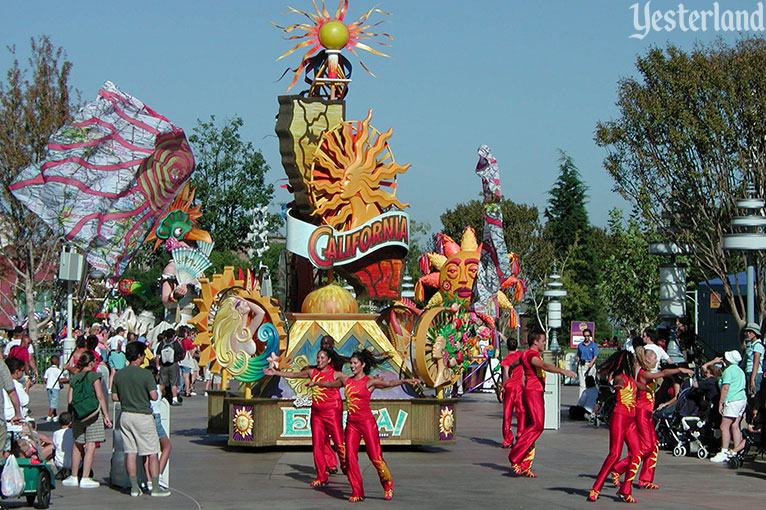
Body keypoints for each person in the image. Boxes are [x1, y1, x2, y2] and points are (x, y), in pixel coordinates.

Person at [308, 349, 419, 502]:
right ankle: (357, 491)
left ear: (363, 365)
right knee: (350, 457)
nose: (352, 366)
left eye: (355, 363)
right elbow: (331, 384)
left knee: (375, 457)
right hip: (352, 424)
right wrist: (316, 382)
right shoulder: (347, 381)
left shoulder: (369, 382)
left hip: (367, 423)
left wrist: (406, 381)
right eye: (351, 363)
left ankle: (387, 484)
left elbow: (389, 383)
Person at [611, 347, 692, 490]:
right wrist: (680, 369)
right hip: (641, 412)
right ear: (647, 359)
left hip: (648, 412)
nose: (656, 361)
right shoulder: (643, 374)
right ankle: (618, 468)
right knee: (647, 446)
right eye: (655, 358)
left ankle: (645, 479)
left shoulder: (645, 371)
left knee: (653, 446)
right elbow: (664, 373)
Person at [264, 349, 346, 487]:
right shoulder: (312, 372)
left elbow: (341, 383)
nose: (319, 360)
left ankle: (347, 467)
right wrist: (276, 372)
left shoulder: (337, 374)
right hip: (317, 413)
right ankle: (321, 476)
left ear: (329, 360)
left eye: (322, 358)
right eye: (318, 358)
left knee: (339, 444)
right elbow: (294, 375)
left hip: (332, 412)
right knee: (318, 445)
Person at [507, 331, 576, 478]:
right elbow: (544, 366)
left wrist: (510, 373)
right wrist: (562, 371)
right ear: (535, 342)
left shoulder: (524, 354)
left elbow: (513, 364)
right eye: (543, 341)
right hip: (533, 392)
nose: (545, 343)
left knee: (530, 427)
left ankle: (525, 464)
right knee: (537, 426)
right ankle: (515, 455)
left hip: (531, 391)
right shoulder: (532, 356)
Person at [112, 341, 170, 497]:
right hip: (143, 415)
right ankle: (155, 487)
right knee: (152, 452)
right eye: (143, 355)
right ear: (138, 356)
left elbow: (114, 397)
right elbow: (154, 395)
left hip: (125, 416)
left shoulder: (119, 374)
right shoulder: (145, 374)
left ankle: (134, 487)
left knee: (130, 452)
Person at [589, 350, 642, 503]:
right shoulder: (622, 378)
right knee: (614, 454)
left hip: (631, 421)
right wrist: (616, 385)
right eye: (633, 361)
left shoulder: (631, 379)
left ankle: (625, 489)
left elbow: (638, 386)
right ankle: (596, 487)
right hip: (620, 418)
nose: (635, 363)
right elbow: (617, 382)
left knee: (637, 454)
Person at [62, 351, 112, 488]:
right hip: (93, 414)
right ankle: (85, 478)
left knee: (77, 444)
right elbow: (100, 396)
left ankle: (73, 476)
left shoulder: (75, 377)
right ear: (91, 363)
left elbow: (70, 400)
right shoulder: (94, 376)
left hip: (78, 415)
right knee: (90, 445)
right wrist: (106, 416)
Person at [710, 350, 747, 463]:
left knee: (724, 426)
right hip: (742, 399)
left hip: (732, 400)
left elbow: (725, 387)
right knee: (735, 425)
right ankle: (737, 450)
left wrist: (721, 402)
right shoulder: (740, 370)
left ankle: (724, 451)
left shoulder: (728, 371)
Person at [143, 365, 172, 492]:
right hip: (156, 418)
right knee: (166, 446)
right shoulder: (159, 388)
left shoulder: (142, 389)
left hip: (145, 417)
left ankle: (149, 480)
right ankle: (157, 474)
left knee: (146, 453)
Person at [499, 336, 524, 448]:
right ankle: (520, 433)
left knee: (508, 413)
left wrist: (503, 387)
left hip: (510, 387)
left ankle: (508, 438)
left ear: (506, 346)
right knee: (521, 411)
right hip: (520, 386)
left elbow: (505, 374)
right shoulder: (521, 355)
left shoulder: (506, 359)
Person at [155, 329, 185, 406]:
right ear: (173, 336)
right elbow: (182, 352)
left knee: (162, 383)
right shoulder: (175, 343)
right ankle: (174, 399)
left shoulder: (162, 343)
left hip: (164, 365)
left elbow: (157, 355)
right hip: (173, 364)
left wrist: (157, 365)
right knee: (174, 383)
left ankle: (158, 397)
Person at [743, 322, 764, 396]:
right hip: (749, 372)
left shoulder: (757, 346)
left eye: (750, 332)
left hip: (754, 374)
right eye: (747, 332)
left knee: (753, 397)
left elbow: (756, 363)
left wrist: (752, 379)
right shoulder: (751, 346)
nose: (747, 333)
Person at [576, 328, 599, 397]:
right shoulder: (580, 345)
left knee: (590, 383)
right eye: (585, 336)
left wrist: (591, 363)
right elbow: (578, 355)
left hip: (590, 364)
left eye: (588, 336)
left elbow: (595, 355)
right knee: (582, 384)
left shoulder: (593, 345)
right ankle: (581, 400)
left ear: (590, 336)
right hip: (582, 364)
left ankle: (591, 399)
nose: (586, 337)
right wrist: (578, 364)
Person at [44, 355, 67, 422]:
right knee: (54, 402)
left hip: (48, 387)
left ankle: (55, 415)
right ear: (57, 362)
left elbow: (45, 379)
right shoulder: (58, 371)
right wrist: (67, 379)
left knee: (51, 401)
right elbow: (60, 380)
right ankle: (49, 416)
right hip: (55, 387)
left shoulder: (48, 370)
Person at [53, 412, 74, 480]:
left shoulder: (56, 433)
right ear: (70, 423)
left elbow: (54, 447)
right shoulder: (74, 432)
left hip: (60, 463)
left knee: (54, 448)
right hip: (74, 463)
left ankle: (60, 470)